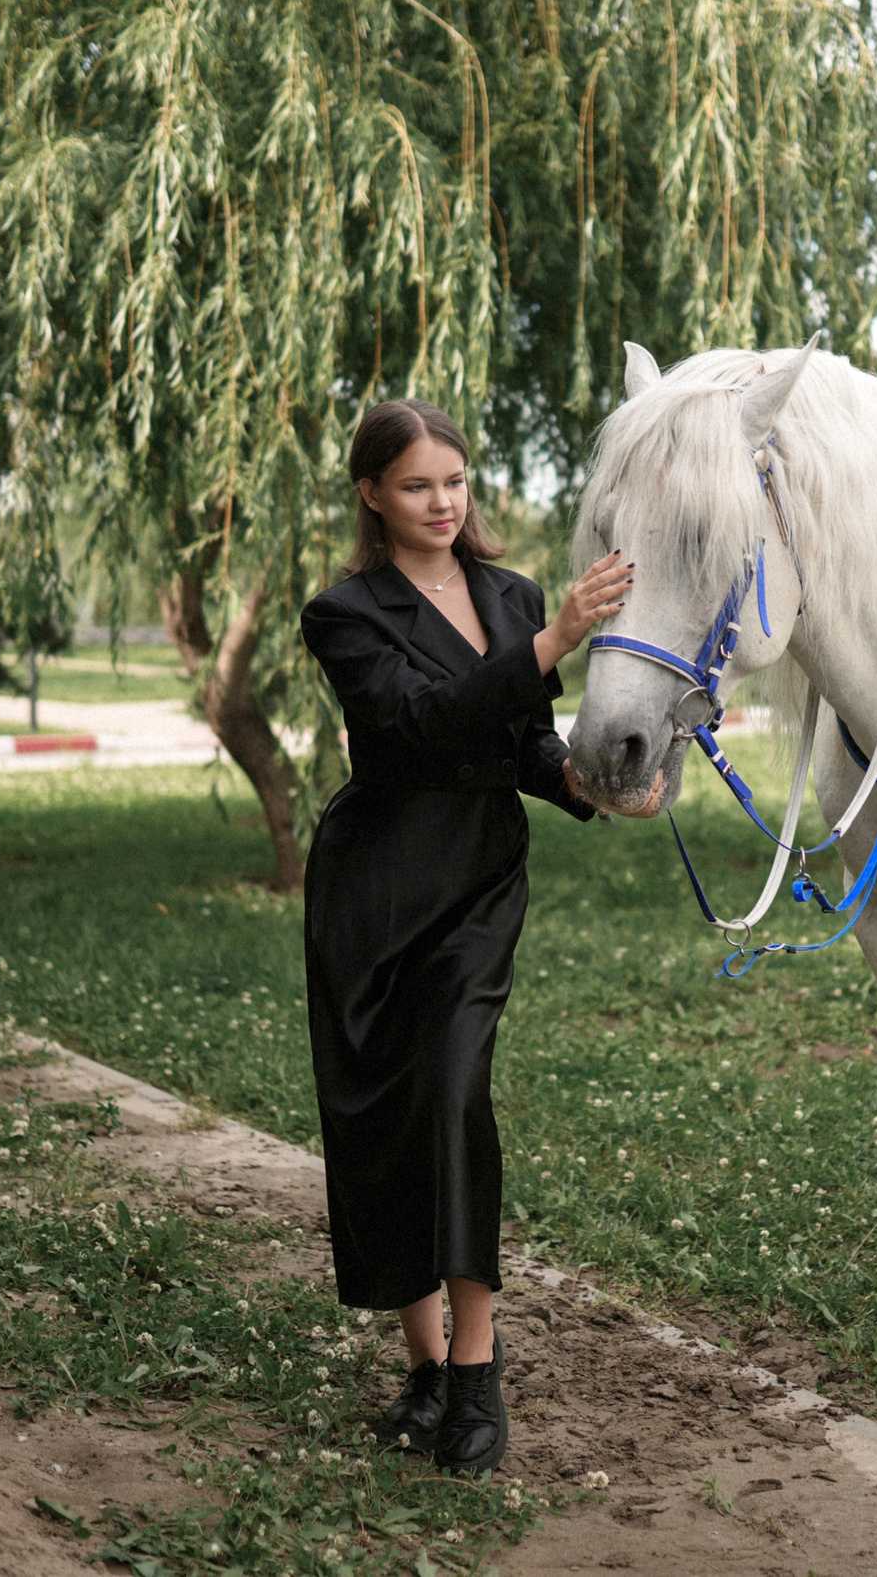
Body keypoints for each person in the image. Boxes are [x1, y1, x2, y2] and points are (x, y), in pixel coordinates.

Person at [298, 398, 631, 1476]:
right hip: (374, 895)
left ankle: (479, 1376)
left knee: (451, 1098)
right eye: (414, 486)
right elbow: (417, 729)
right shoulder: (342, 613)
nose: (441, 503)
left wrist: (594, 782)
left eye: (454, 481)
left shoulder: (511, 592)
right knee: (383, 1122)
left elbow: (519, 743)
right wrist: (556, 640)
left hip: (478, 889)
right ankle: (428, 1368)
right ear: (370, 495)